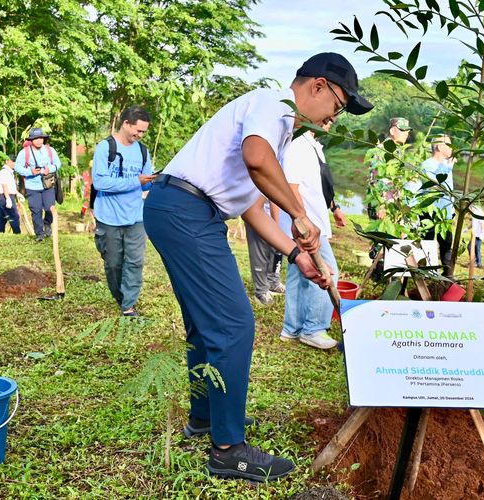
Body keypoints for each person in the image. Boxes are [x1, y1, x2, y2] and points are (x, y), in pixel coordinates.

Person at [142, 52, 372, 482]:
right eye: (338, 107)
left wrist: (297, 254)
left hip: (185, 209)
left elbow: (250, 205)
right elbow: (256, 160)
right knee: (233, 325)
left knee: (205, 325)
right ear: (318, 86)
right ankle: (228, 451)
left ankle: (207, 418)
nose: (333, 119)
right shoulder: (273, 105)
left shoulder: (276, 129)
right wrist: (300, 215)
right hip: (186, 210)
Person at [279, 121, 340, 350]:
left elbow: (319, 186)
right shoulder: (298, 145)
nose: (330, 120)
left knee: (297, 275)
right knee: (326, 272)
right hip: (308, 226)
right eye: (326, 115)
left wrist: (335, 208)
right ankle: (313, 328)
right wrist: (302, 223)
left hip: (312, 222)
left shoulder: (312, 144)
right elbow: (292, 187)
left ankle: (291, 328)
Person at [92, 106, 156, 317]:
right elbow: (100, 182)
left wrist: (152, 182)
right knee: (113, 264)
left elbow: (144, 185)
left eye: (144, 132)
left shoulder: (142, 151)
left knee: (135, 261)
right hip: (109, 217)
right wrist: (135, 181)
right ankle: (120, 296)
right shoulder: (105, 148)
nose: (140, 135)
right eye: (137, 130)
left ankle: (128, 305)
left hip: (136, 217)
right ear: (126, 124)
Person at [417, 135, 456, 273]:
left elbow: (450, 189)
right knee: (428, 242)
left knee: (446, 243)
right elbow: (434, 187)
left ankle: (448, 275)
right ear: (439, 147)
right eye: (449, 145)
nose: (452, 148)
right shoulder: (427, 165)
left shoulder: (446, 166)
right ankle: (429, 273)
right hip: (430, 211)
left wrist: (451, 209)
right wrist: (448, 168)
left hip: (445, 213)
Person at [15, 128, 61, 241]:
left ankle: (47, 223)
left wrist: (49, 169)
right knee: (36, 210)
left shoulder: (50, 150)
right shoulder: (24, 152)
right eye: (36, 138)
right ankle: (39, 234)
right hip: (32, 186)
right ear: (31, 140)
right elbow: (17, 167)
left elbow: (57, 164)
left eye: (41, 138)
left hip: (48, 184)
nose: (39, 140)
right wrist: (30, 172)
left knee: (50, 208)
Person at [365, 117, 411, 220]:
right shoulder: (382, 150)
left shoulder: (399, 152)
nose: (406, 133)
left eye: (407, 131)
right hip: (383, 205)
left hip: (394, 204)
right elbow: (375, 179)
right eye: (402, 130)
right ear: (392, 131)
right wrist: (380, 205)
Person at [246, 198, 285, 304]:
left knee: (277, 251)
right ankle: (261, 291)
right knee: (259, 253)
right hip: (259, 215)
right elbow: (274, 197)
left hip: (277, 216)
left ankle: (273, 282)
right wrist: (276, 224)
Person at [0, 154, 21, 234]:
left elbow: (11, 186)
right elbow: (4, 186)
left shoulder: (9, 172)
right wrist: (7, 198)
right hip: (5, 196)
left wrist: (18, 194)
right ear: (7, 161)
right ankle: (17, 234)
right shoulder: (4, 172)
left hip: (8, 195)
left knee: (2, 217)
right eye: (12, 161)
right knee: (14, 216)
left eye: (15, 161)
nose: (14, 163)